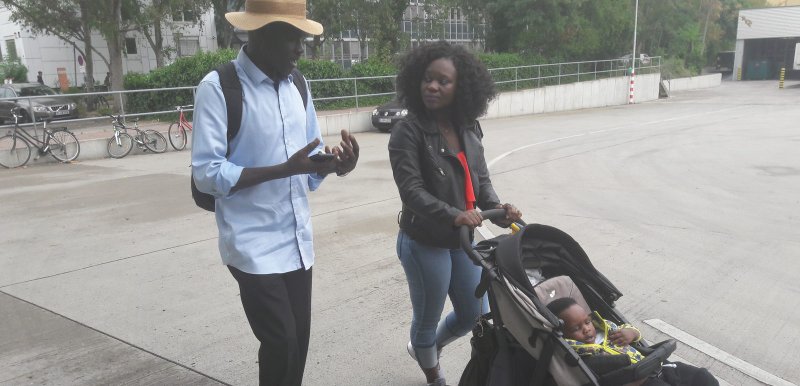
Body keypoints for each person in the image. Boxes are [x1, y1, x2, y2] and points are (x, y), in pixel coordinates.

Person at [191, 0, 358, 384]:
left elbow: (308, 162)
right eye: (293, 38)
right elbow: (206, 174)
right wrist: (285, 169)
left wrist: (336, 165)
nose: (301, 49)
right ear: (261, 35)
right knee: (281, 341)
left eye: (303, 38)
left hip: (297, 240)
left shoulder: (298, 85)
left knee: (298, 342)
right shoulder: (220, 88)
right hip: (251, 244)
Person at [388, 41, 522, 386]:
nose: (432, 86)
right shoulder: (408, 131)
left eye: (443, 81)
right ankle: (434, 375)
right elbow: (412, 192)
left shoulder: (469, 127)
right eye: (427, 79)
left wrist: (498, 210)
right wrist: (454, 214)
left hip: (460, 240)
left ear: (461, 88)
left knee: (471, 315)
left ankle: (425, 350)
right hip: (424, 242)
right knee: (427, 319)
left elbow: (481, 180)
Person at [547, 297, 719, 386]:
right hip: (634, 381)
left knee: (702, 377)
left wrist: (631, 333)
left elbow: (629, 329)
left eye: (587, 321)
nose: (586, 329)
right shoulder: (576, 349)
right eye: (576, 329)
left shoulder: (605, 328)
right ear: (564, 334)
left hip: (655, 365)